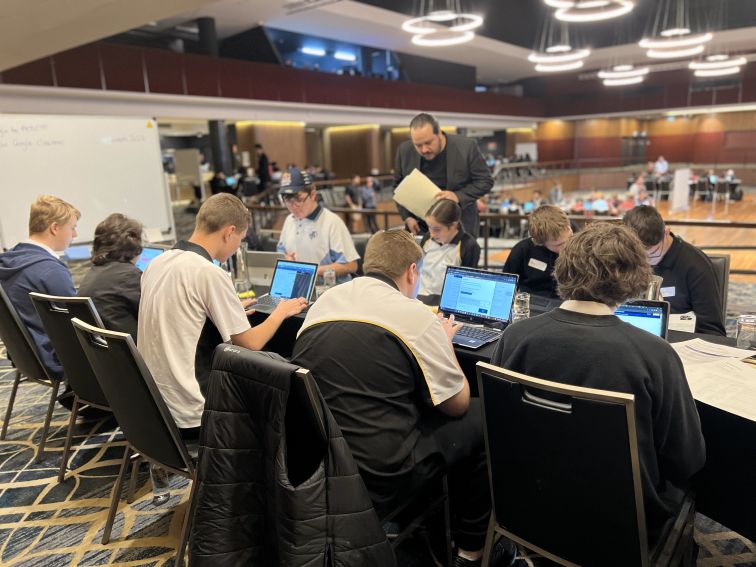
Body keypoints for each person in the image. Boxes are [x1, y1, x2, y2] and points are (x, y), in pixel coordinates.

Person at [292, 229, 497, 567]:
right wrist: (444, 342)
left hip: (318, 463)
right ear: (412, 272)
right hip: (381, 476)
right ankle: (470, 550)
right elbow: (456, 403)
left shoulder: (324, 303)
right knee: (481, 414)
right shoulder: (414, 315)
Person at [491, 222, 705, 546]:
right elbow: (687, 459)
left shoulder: (514, 338)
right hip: (623, 523)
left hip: (528, 503)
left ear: (563, 269)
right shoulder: (655, 355)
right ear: (633, 278)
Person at [138, 194, 307, 435]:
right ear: (229, 233)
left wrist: (229, 307)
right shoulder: (208, 273)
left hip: (154, 404)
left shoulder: (158, 263)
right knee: (283, 382)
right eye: (240, 238)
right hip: (193, 412)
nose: (238, 245)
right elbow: (251, 343)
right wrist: (281, 311)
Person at [0, 195, 79, 381]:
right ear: (55, 228)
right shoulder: (51, 271)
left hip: (24, 357)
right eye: (72, 228)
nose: (75, 235)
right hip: (53, 360)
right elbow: (77, 323)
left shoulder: (8, 260)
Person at [623, 206, 725, 336]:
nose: (645, 262)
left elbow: (713, 331)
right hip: (632, 338)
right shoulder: (624, 257)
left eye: (652, 254)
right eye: (637, 255)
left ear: (666, 232)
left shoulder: (696, 266)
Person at [393, 112, 493, 237]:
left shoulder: (466, 147)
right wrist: (407, 217)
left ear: (439, 133)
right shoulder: (404, 151)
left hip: (459, 227)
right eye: (418, 145)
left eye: (428, 142)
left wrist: (457, 196)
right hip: (422, 229)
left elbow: (486, 181)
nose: (424, 149)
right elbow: (398, 188)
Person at [276, 167, 359, 284]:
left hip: (329, 291)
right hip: (298, 288)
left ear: (313, 194)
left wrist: (311, 271)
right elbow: (281, 251)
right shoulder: (289, 220)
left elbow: (351, 265)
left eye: (299, 199)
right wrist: (286, 259)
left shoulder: (331, 222)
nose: (293, 206)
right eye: (287, 200)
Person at [77, 214, 143, 340]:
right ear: (134, 244)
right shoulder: (129, 276)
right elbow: (158, 316)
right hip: (133, 355)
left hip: (108, 356)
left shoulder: (92, 273)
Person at [502, 205, 572, 299]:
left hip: (569, 304)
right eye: (558, 245)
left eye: (570, 238)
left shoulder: (581, 247)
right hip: (534, 303)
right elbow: (506, 286)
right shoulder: (522, 250)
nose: (567, 246)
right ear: (539, 242)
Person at [419, 199, 480, 296]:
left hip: (445, 302)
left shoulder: (468, 246)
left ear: (453, 226)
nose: (431, 234)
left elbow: (467, 286)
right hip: (420, 296)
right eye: (429, 227)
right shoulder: (427, 238)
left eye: (437, 229)